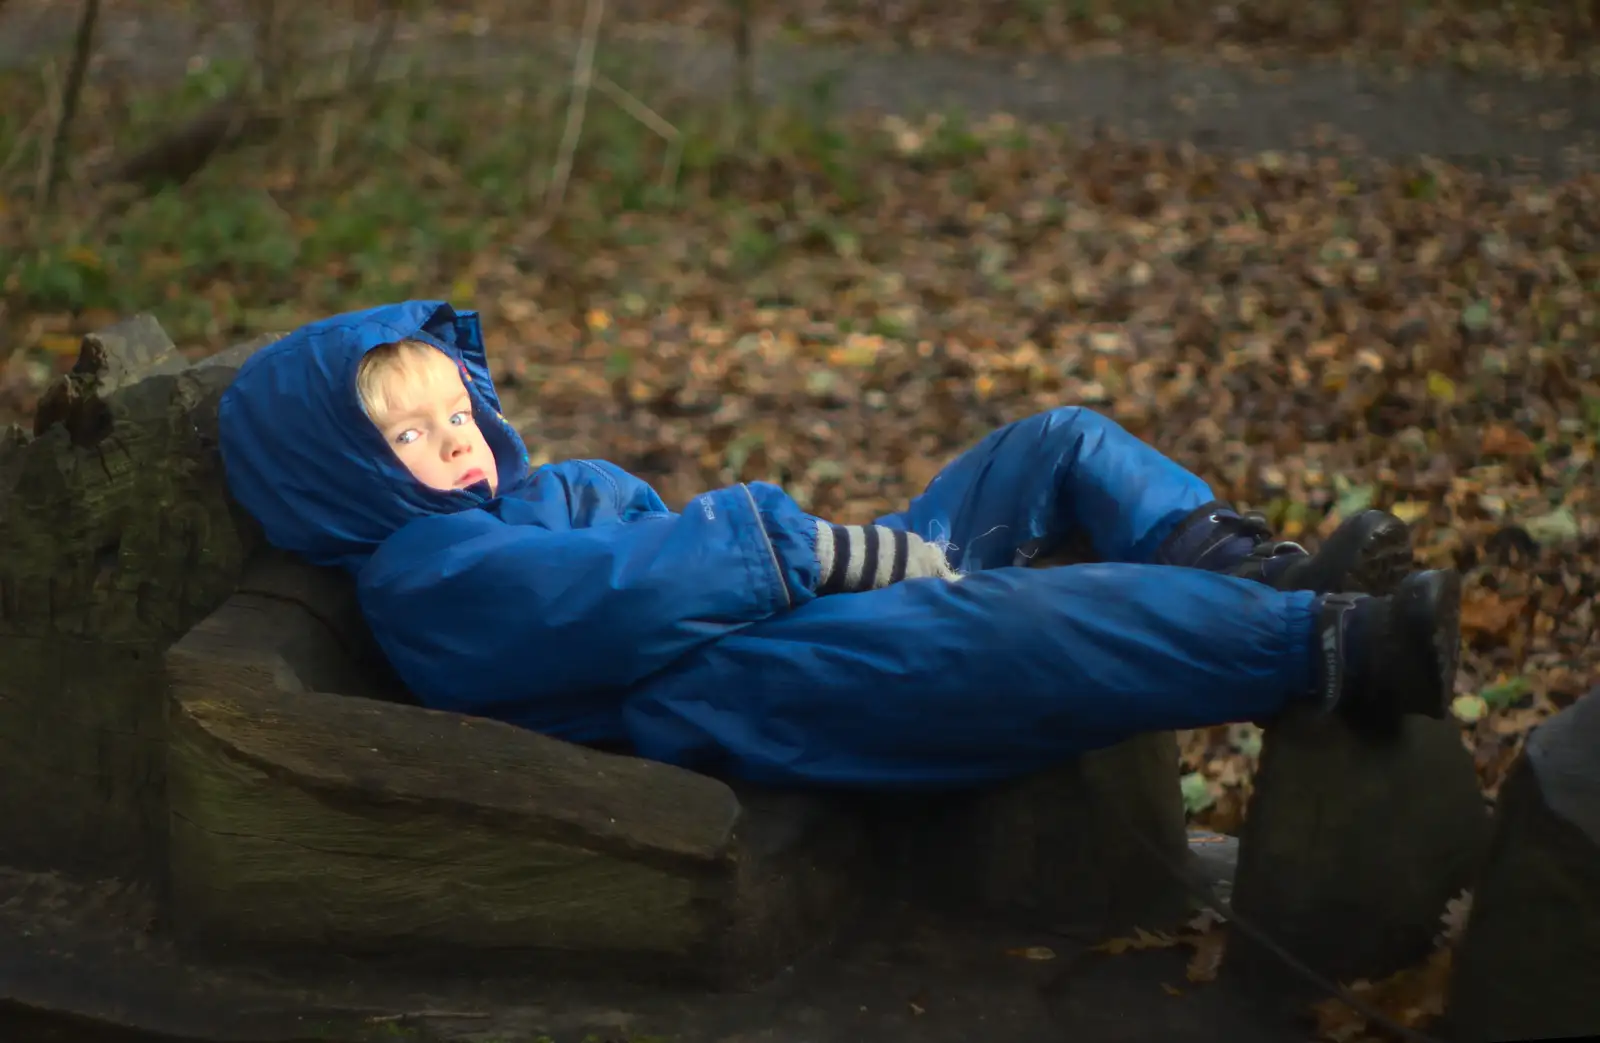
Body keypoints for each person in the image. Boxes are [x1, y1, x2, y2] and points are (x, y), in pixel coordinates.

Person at [218, 300, 1461, 790]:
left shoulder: (526, 495)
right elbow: (623, 599)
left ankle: (1250, 572)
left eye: (456, 414)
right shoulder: (425, 576)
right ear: (338, 476)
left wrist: (840, 552)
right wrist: (815, 552)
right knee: (1022, 619)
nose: (455, 443)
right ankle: (1335, 643)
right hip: (755, 683)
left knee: (1054, 441)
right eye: (408, 438)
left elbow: (642, 540)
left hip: (797, 594)